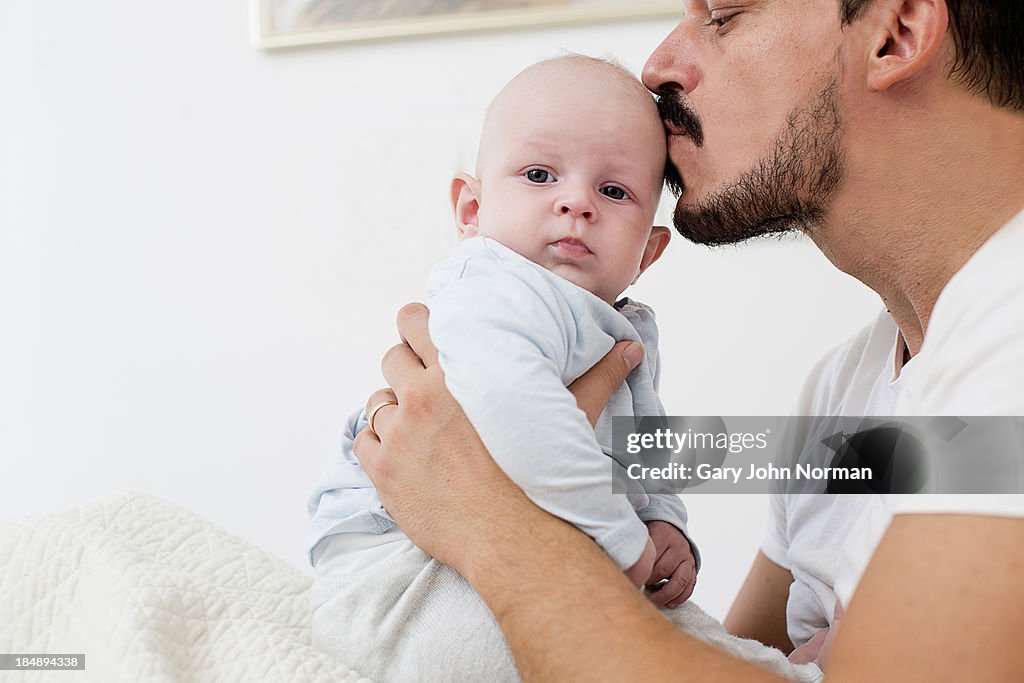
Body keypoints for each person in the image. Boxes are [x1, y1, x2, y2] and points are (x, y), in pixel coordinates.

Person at [354, 0, 1024, 680]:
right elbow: (703, 658)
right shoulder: (843, 391)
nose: (659, 64)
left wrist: (486, 517)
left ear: (897, 31)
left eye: (724, 14)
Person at [307, 55, 712, 682]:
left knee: (684, 641)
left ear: (649, 251)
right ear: (471, 209)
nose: (576, 202)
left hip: (529, 553)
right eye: (539, 173)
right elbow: (519, 413)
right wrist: (620, 539)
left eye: (614, 190)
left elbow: (644, 448)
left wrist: (665, 522)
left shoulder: (621, 323)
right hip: (405, 560)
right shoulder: (495, 286)